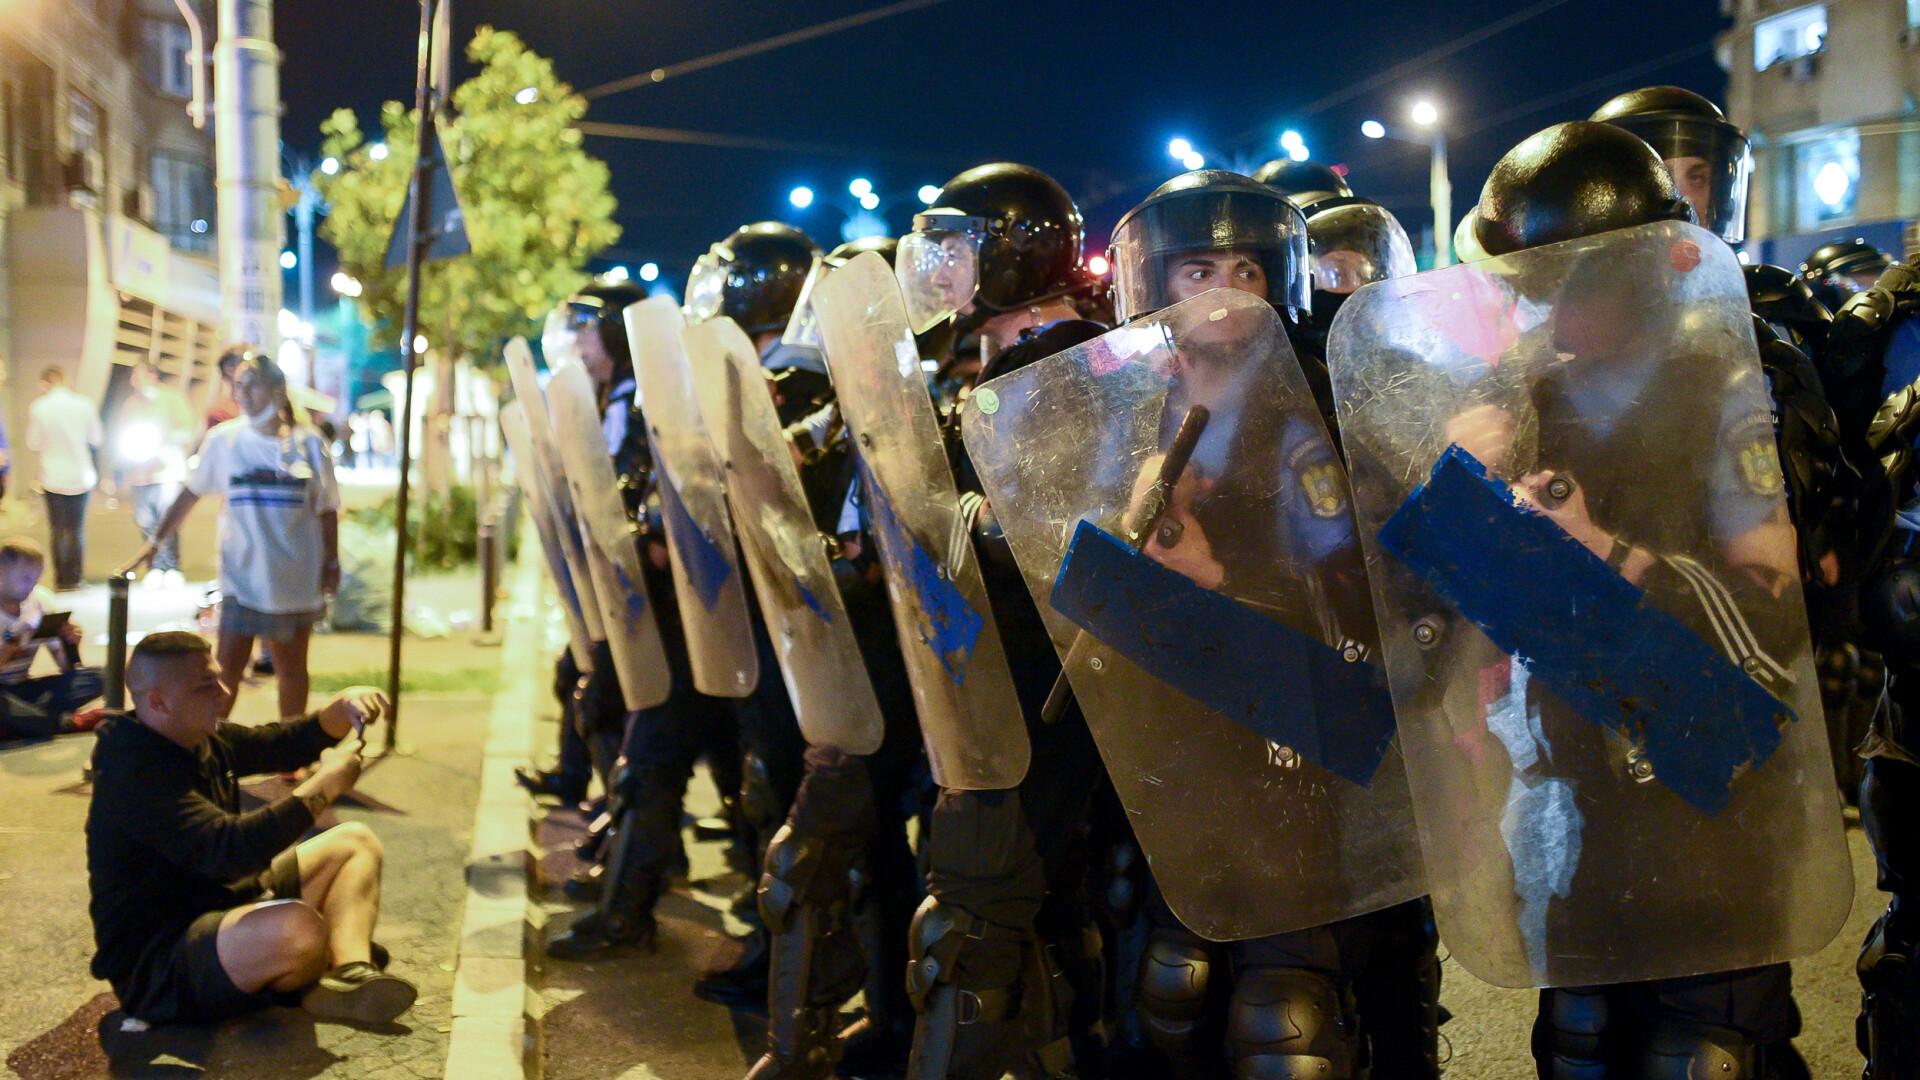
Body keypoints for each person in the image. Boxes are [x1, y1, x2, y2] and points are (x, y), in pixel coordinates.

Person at [891, 161, 1113, 1077]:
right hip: (992, 688)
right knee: (1040, 912)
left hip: (1045, 695)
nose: (937, 271)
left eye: (955, 250)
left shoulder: (1069, 374)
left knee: (979, 923)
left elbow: (1050, 551)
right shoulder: (994, 370)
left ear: (1013, 261)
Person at [85, 631, 414, 1025]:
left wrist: (340, 710)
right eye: (206, 686)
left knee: (355, 842)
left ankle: (351, 972)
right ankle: (308, 967)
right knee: (297, 928)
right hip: (162, 959)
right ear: (158, 701)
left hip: (224, 907)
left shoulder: (198, 737)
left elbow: (278, 743)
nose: (224, 692)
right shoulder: (134, 773)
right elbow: (230, 851)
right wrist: (325, 786)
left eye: (220, 678)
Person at [125, 353, 340, 721]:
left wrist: (332, 561)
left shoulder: (309, 443)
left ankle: (290, 752)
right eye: (238, 385)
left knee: (291, 669)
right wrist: (154, 542)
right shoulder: (224, 440)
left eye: (252, 384)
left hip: (293, 580)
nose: (243, 393)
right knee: (225, 670)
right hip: (243, 578)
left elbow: (327, 508)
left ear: (277, 390)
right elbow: (190, 494)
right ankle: (215, 748)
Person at [0, 537, 101, 738]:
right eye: (25, 579)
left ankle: (25, 722)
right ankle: (59, 722)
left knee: (100, 676)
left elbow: (65, 668)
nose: (30, 588)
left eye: (36, 580)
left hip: (25, 688)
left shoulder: (40, 599)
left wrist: (71, 644)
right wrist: (11, 642)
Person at [114, 359, 196, 589]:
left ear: (152, 376)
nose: (134, 381)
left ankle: (171, 567)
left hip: (167, 471)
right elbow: (122, 432)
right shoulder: (132, 404)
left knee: (167, 517)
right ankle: (155, 567)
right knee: (145, 520)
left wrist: (164, 438)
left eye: (138, 375)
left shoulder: (172, 399)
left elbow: (187, 431)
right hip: (140, 472)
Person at [24, 366, 103, 592]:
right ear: (66, 380)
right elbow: (96, 438)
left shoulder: (39, 407)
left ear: (44, 384)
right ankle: (77, 577)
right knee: (76, 529)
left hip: (52, 475)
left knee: (57, 529)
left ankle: (61, 578)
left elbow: (33, 442)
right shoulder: (84, 404)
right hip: (81, 474)